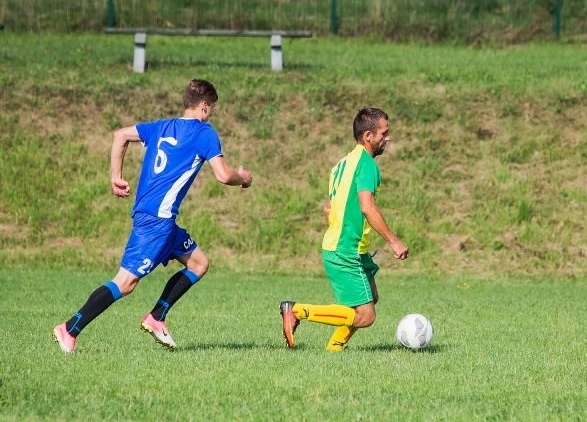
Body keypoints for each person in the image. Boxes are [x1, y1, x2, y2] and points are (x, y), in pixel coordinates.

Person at [52, 79, 252, 353]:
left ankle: (156, 317)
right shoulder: (204, 133)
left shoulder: (161, 127)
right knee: (125, 283)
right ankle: (70, 328)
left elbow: (120, 135)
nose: (212, 112)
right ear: (204, 105)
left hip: (163, 221)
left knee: (199, 264)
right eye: (213, 107)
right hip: (155, 223)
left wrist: (116, 177)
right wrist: (244, 179)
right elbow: (223, 174)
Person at [279, 107, 409, 351]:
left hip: (346, 247)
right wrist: (393, 241)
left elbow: (328, 208)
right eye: (384, 133)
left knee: (369, 300)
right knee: (367, 316)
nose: (388, 138)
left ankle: (335, 348)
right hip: (346, 250)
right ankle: (296, 311)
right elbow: (367, 207)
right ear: (368, 136)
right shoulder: (367, 165)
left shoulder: (340, 165)